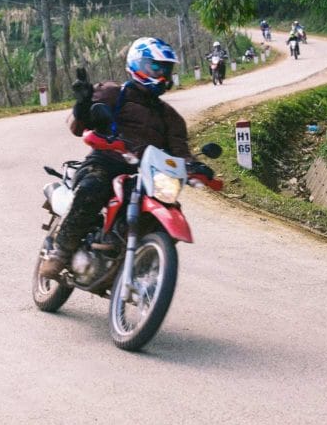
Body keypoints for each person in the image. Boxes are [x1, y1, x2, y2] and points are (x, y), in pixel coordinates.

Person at [39, 37, 212, 278]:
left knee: (169, 210)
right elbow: (77, 127)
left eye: (166, 69)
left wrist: (196, 167)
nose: (162, 75)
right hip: (106, 162)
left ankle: (145, 265)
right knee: (92, 188)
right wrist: (82, 107)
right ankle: (61, 251)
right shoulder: (113, 93)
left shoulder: (171, 117)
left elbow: (180, 151)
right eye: (156, 67)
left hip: (147, 175)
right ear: (137, 64)